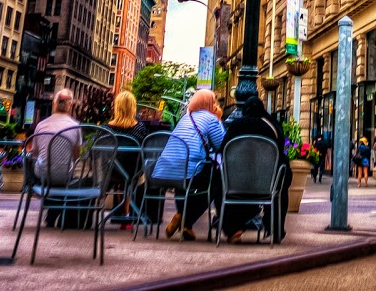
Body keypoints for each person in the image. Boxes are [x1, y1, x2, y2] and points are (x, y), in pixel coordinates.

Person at [154, 88, 225, 240]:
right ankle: (185, 218)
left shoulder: (185, 118)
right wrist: (219, 120)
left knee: (183, 185)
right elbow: (221, 145)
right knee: (216, 181)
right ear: (209, 103)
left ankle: (186, 226)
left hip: (166, 170)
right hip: (191, 170)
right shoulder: (210, 118)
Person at [219, 95, 290, 240]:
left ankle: (232, 227)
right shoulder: (273, 127)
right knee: (282, 181)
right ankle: (275, 229)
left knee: (216, 180)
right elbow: (281, 154)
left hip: (235, 183)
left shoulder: (235, 126)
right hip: (266, 185)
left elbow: (222, 151)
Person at [106, 89, 149, 227]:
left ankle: (124, 214)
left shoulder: (107, 129)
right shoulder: (140, 129)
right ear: (133, 108)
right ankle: (126, 214)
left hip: (109, 172)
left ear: (116, 107)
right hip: (134, 173)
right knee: (126, 178)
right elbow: (145, 153)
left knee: (119, 176)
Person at [31, 88, 81, 180]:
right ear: (70, 105)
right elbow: (76, 156)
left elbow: (35, 153)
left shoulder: (41, 125)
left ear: (54, 103)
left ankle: (28, 187)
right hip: (65, 176)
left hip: (43, 176)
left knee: (29, 159)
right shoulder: (75, 126)